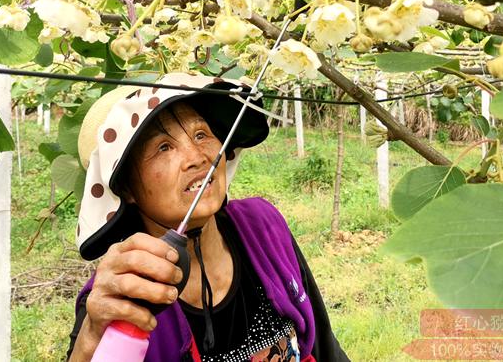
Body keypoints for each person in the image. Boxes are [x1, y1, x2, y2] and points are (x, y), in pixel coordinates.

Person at [66, 73, 349, 361]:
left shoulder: (263, 224)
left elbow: (325, 347)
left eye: (201, 134)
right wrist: (90, 337)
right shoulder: (121, 293)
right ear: (126, 188)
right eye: (164, 147)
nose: (199, 157)